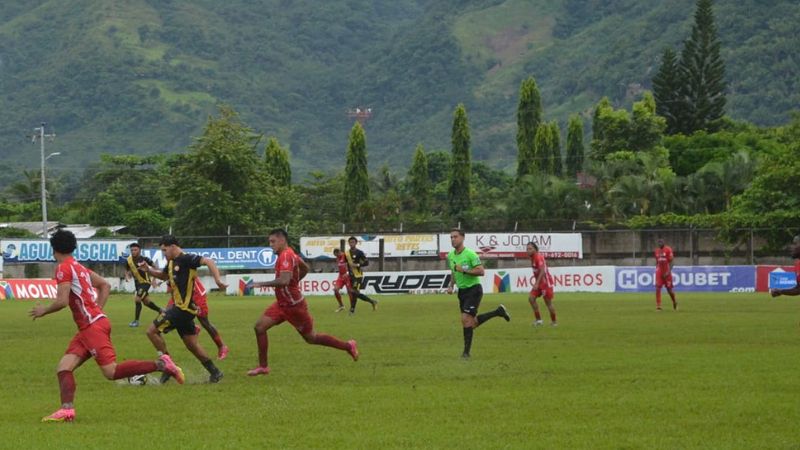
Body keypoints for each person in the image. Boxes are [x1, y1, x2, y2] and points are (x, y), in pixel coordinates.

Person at [30, 229, 184, 423]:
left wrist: (44, 310)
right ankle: (66, 410)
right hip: (92, 325)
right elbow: (105, 285)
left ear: (54, 249)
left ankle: (162, 364)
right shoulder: (79, 267)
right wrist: (97, 310)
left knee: (111, 372)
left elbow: (62, 301)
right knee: (64, 367)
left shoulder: (63, 268)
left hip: (92, 327)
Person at [247, 228, 359, 376]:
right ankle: (263, 367)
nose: (270, 245)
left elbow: (284, 280)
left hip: (294, 307)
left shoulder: (286, 256)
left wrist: (259, 285)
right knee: (259, 327)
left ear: (282, 240)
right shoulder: (290, 253)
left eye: (273, 241)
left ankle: (348, 346)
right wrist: (295, 281)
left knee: (312, 338)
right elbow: (305, 268)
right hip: (282, 304)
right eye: (269, 242)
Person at [140, 235, 226, 383]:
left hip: (182, 309)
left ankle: (168, 365)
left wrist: (218, 280)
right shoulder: (172, 262)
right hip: (183, 309)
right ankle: (215, 372)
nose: (163, 254)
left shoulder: (186, 259)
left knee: (151, 331)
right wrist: (148, 270)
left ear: (173, 246)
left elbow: (209, 261)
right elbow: (163, 275)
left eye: (164, 250)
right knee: (192, 345)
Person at [446, 228, 510, 359]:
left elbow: (481, 271)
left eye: (455, 237)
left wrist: (464, 270)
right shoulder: (450, 255)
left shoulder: (471, 254)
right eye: (451, 237)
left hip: (474, 290)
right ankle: (498, 312)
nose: (453, 239)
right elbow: (453, 271)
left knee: (465, 320)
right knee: (471, 323)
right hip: (462, 292)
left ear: (463, 238)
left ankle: (466, 353)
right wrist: (451, 285)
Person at [165, 277, 229, 360]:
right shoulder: (170, 265)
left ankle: (222, 346)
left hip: (196, 294)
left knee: (204, 321)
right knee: (169, 316)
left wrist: (218, 281)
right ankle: (194, 328)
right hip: (182, 294)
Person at [123, 242, 163, 327]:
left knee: (137, 299)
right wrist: (127, 276)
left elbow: (156, 267)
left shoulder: (145, 259)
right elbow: (126, 270)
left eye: (135, 250)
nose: (133, 251)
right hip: (137, 284)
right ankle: (161, 310)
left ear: (139, 250)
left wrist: (154, 279)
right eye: (132, 250)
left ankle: (136, 321)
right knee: (146, 302)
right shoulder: (129, 260)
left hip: (145, 282)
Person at [345, 236, 378, 314]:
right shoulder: (347, 253)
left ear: (356, 243)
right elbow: (346, 263)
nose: (351, 243)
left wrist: (358, 265)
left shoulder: (359, 252)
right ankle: (371, 302)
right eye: (350, 242)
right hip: (351, 275)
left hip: (358, 275)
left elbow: (366, 262)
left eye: (353, 242)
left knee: (353, 291)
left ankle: (353, 309)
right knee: (355, 293)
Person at [527, 242, 557, 326]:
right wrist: (537, 283)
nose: (528, 250)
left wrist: (536, 283)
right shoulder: (532, 258)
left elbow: (542, 271)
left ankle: (554, 322)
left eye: (530, 249)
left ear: (535, 249)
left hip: (545, 283)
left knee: (548, 303)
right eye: (527, 249)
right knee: (531, 298)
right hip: (539, 283)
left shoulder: (538, 257)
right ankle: (539, 320)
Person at [655, 238, 677, 311]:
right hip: (659, 272)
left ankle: (674, 301)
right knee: (658, 288)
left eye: (661, 242)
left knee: (669, 290)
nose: (660, 243)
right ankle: (658, 306)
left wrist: (668, 272)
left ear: (664, 242)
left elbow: (672, 262)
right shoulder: (656, 251)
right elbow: (657, 261)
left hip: (667, 272)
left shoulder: (668, 249)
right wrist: (656, 269)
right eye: (659, 242)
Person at [331, 248, 354, 312]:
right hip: (341, 276)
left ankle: (352, 307)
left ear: (339, 252)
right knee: (335, 290)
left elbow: (351, 265)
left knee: (349, 291)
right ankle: (341, 305)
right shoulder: (337, 259)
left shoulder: (346, 256)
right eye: (335, 256)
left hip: (347, 276)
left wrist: (348, 273)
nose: (337, 257)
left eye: (337, 255)